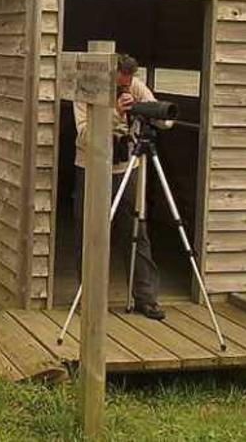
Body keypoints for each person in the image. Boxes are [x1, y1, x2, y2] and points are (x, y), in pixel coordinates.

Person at [73, 54, 170, 320]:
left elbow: (166, 121)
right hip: (92, 168)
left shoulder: (134, 87)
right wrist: (114, 113)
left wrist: (142, 108)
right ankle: (90, 299)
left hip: (128, 167)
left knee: (136, 231)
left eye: (126, 84)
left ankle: (146, 297)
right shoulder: (86, 89)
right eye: (119, 85)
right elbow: (83, 133)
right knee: (91, 232)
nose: (123, 89)